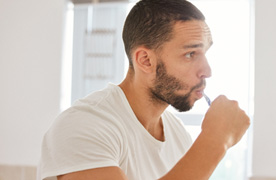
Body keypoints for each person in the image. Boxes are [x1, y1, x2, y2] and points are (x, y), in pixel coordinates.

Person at [38, 0, 250, 179]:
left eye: (204, 53)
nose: (207, 71)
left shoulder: (178, 136)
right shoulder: (82, 125)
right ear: (146, 61)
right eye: (190, 54)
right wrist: (216, 139)